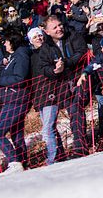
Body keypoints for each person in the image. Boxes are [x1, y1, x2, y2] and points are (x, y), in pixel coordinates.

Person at [35, 14, 90, 161]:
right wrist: (54, 71)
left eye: (60, 25)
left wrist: (66, 62)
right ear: (47, 31)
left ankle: (80, 148)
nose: (59, 29)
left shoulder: (73, 35)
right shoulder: (46, 47)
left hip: (82, 76)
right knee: (72, 111)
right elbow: (43, 67)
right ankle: (68, 150)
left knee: (75, 109)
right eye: (55, 27)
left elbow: (82, 52)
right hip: (63, 82)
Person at [0, 30, 32, 175]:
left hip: (16, 100)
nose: (4, 44)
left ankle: (14, 161)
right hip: (12, 99)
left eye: (6, 41)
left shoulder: (21, 55)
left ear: (12, 41)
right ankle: (23, 162)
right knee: (16, 134)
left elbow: (19, 78)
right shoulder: (13, 57)